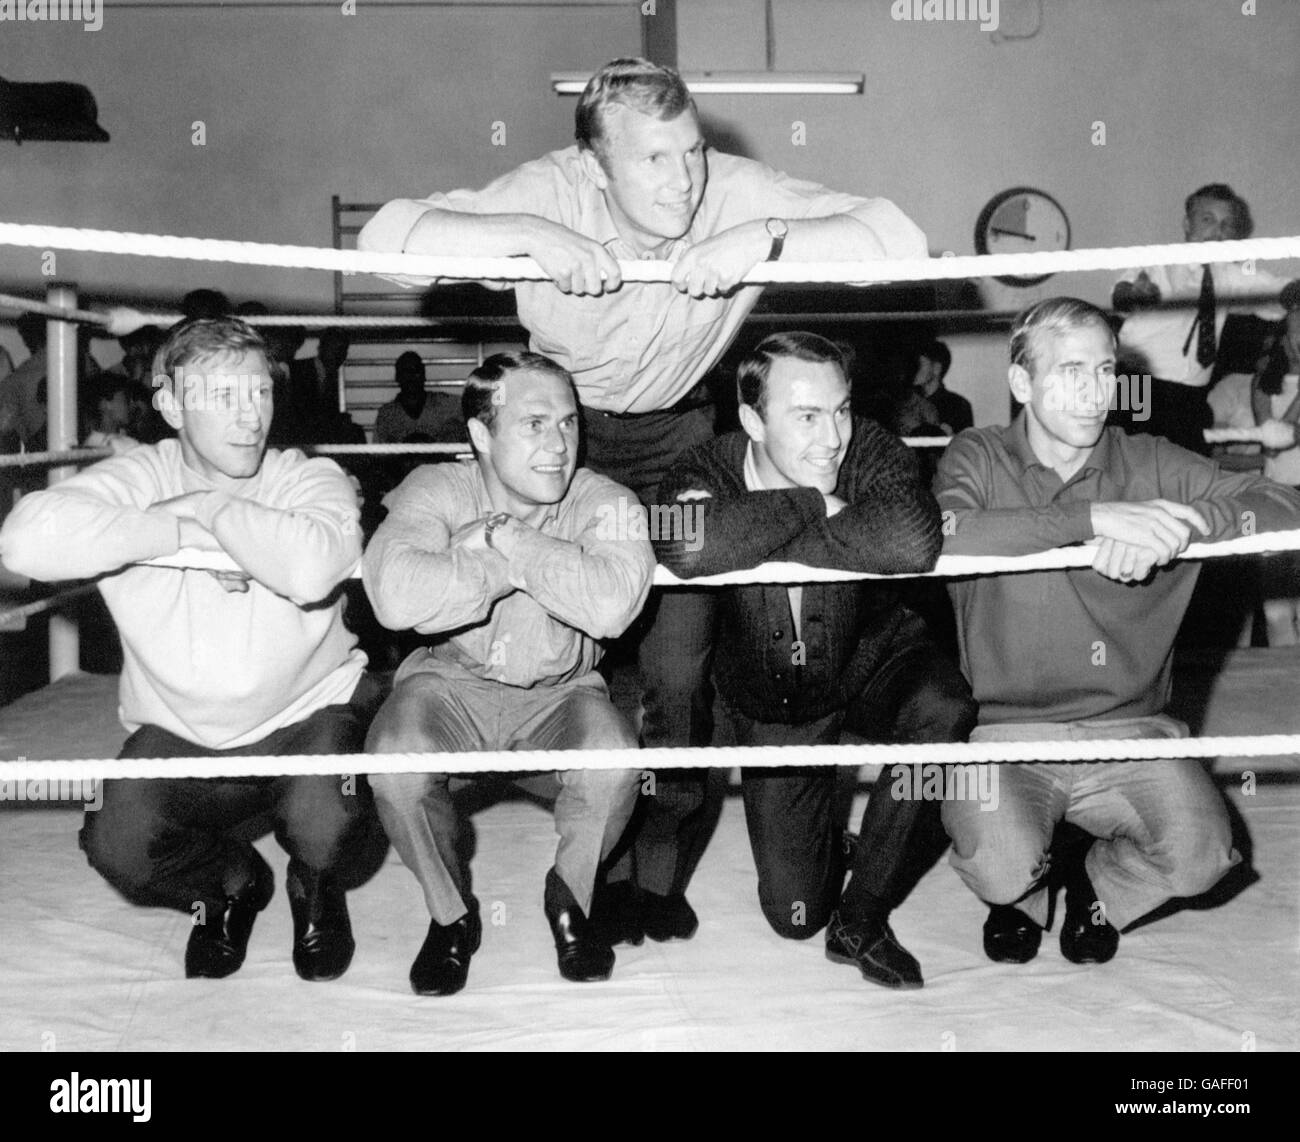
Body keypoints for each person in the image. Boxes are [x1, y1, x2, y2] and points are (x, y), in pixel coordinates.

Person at [358, 57, 928, 939]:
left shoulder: (732, 190)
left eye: (691, 152)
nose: (683, 180)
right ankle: (594, 877)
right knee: (594, 656)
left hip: (682, 437)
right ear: (595, 166)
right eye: (654, 161)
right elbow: (383, 247)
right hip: (566, 440)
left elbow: (898, 239)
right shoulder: (550, 187)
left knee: (675, 670)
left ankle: (656, 880)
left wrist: (761, 239)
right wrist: (522, 235)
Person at [0, 317, 377, 983]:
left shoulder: (306, 475)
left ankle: (313, 886)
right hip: (183, 736)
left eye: (259, 393)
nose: (249, 417)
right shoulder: (137, 475)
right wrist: (184, 530)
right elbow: (23, 545)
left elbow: (313, 569)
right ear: (170, 403)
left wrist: (207, 506)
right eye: (222, 397)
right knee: (116, 842)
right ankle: (231, 884)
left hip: (308, 718)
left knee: (330, 818)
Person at [934, 297, 1300, 965]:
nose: (1095, 393)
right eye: (1070, 370)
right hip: (1005, 733)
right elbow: (947, 540)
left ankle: (1096, 887)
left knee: (1205, 856)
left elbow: (1283, 505)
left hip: (1130, 728)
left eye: (1104, 370)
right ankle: (1020, 896)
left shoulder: (1150, 459)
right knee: (998, 864)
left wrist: (1171, 526)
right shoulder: (978, 454)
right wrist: (1093, 519)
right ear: (1021, 383)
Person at [651, 332, 976, 988]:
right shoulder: (703, 468)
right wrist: (810, 503)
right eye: (806, 417)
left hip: (870, 657)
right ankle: (829, 841)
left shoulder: (869, 446)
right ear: (750, 421)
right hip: (775, 699)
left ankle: (863, 916)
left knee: (945, 709)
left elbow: (913, 541)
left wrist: (758, 531)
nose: (832, 437)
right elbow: (688, 550)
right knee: (795, 913)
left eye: (841, 409)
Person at [362, 351, 653, 993]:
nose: (559, 445)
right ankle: (451, 916)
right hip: (450, 687)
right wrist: (519, 564)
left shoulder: (609, 500)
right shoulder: (435, 487)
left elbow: (609, 607)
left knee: (617, 758)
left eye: (570, 423)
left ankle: (570, 898)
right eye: (535, 423)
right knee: (391, 762)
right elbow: (394, 596)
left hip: (561, 695)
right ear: (480, 435)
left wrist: (505, 540)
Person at [1112, 184, 1288, 454]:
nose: (1217, 233)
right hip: (1137, 382)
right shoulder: (1158, 260)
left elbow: (1277, 292)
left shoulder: (1230, 276)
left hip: (1190, 395)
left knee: (1189, 471)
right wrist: (1137, 294)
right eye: (1208, 220)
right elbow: (1122, 295)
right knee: (1126, 462)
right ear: (1187, 223)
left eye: (1226, 225)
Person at [1248, 281, 1300, 643]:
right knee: (1277, 609)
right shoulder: (1265, 380)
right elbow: (1277, 441)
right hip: (1278, 494)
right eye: (1296, 330)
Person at [373, 351, 461, 443]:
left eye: (416, 371)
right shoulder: (387, 415)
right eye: (406, 372)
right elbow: (379, 454)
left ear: (424, 374)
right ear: (397, 377)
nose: (411, 377)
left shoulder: (446, 404)